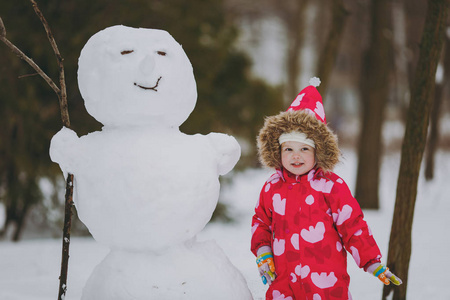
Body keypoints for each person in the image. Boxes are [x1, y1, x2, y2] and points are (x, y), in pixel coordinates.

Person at [251, 78, 402, 300]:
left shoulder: (331, 187)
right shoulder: (272, 187)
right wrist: (263, 253)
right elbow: (261, 222)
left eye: (304, 148)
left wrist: (372, 262)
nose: (296, 155)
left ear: (318, 152)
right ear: (278, 151)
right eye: (289, 148)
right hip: (284, 285)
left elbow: (353, 226)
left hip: (326, 286)